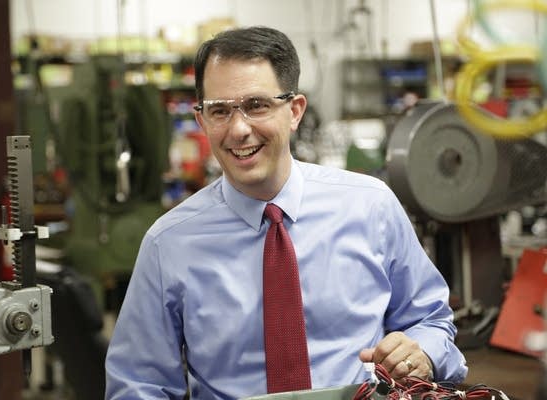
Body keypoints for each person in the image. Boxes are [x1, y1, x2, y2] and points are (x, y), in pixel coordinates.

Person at [105, 26, 468, 399]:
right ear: (201, 121)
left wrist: (421, 351)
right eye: (220, 111)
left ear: (294, 111)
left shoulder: (371, 207)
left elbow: (431, 321)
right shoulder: (169, 244)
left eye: (256, 105)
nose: (239, 129)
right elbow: (138, 384)